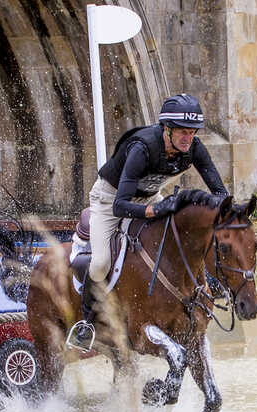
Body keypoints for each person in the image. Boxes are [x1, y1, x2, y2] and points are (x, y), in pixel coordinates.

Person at [70, 93, 229, 350]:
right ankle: (86, 324)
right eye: (182, 133)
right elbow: (120, 205)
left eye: (192, 132)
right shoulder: (141, 149)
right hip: (109, 200)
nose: (188, 139)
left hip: (150, 195)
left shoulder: (195, 148)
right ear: (166, 130)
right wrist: (155, 210)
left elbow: (220, 193)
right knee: (100, 264)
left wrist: (233, 212)